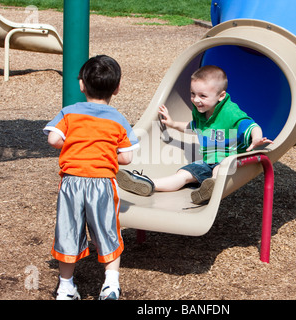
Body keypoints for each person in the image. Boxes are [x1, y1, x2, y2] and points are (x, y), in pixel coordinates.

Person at [43, 55, 139, 300]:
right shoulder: (117, 119)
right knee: (107, 230)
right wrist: (103, 154)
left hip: (71, 183)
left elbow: (53, 139)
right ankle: (111, 285)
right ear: (116, 89)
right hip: (102, 183)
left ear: (82, 85)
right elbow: (126, 158)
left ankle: (65, 287)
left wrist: (76, 148)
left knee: (68, 230)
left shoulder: (69, 112)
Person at [117, 65, 272, 204]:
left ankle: (210, 188)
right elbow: (193, 127)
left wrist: (257, 138)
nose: (196, 100)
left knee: (219, 170)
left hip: (230, 162)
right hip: (207, 161)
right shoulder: (201, 111)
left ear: (221, 96)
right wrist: (172, 124)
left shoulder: (230, 113)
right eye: (193, 94)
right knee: (183, 174)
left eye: (202, 96)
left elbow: (251, 125)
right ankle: (148, 183)